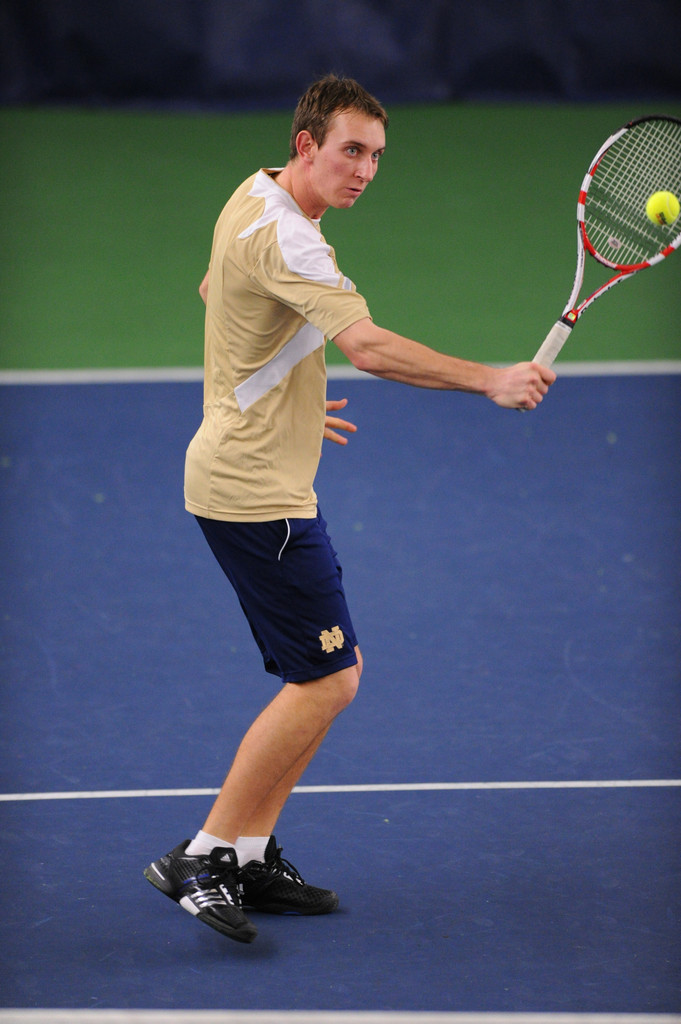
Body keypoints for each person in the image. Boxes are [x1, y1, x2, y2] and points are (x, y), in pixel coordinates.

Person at [144, 74, 555, 944]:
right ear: (306, 145)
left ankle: (249, 854)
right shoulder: (293, 240)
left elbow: (217, 291)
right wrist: (490, 379)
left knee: (331, 675)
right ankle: (204, 854)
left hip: (248, 473)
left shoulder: (252, 196)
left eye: (375, 156)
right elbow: (366, 347)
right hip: (256, 494)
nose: (365, 170)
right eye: (350, 151)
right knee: (327, 680)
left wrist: (285, 392)